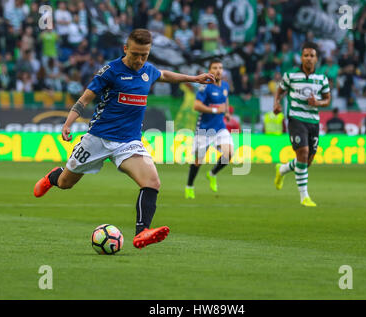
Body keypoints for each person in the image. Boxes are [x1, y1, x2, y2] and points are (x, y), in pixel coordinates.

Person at [33, 29, 215, 249]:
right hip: (98, 139)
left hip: (128, 142)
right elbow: (85, 98)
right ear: (125, 49)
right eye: (136, 54)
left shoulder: (148, 70)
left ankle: (141, 233)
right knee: (66, 183)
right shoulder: (110, 71)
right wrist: (68, 123)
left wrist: (194, 79)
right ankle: (54, 176)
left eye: (145, 55)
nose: (139, 60)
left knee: (152, 182)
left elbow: (165, 75)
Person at [273, 42, 331, 207]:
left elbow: (328, 100)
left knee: (306, 161)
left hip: (313, 121)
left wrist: (318, 103)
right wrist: (277, 103)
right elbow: (280, 90)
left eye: (312, 56)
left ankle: (282, 170)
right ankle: (304, 197)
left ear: (316, 58)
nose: (308, 59)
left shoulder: (321, 78)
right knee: (303, 153)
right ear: (301, 57)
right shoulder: (291, 75)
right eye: (306, 55)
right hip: (296, 119)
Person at [185, 59, 233, 199]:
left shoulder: (225, 85)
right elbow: (196, 106)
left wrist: (227, 112)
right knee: (198, 161)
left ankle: (212, 174)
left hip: (219, 128)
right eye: (215, 68)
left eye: (220, 67)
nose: (218, 70)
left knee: (229, 153)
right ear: (210, 70)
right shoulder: (204, 86)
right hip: (204, 129)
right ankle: (189, 186)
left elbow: (225, 99)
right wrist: (214, 110)